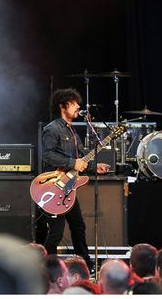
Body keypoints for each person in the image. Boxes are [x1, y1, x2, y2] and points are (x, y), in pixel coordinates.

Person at [41, 88, 110, 272]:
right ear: (62, 106)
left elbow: (82, 160)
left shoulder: (73, 132)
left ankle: (85, 265)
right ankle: (48, 269)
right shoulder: (52, 129)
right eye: (73, 103)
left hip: (69, 188)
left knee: (78, 227)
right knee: (55, 232)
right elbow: (47, 155)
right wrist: (73, 162)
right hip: (54, 187)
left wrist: (96, 167)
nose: (78, 106)